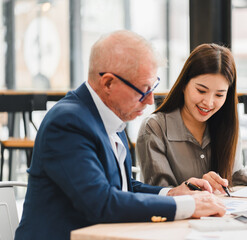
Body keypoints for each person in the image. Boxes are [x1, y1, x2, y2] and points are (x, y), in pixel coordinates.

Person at [15, 31, 226, 240]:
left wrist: (172, 194)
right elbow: (102, 202)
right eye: (144, 90)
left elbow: (124, 187)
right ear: (108, 83)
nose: (150, 100)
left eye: (153, 87)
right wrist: (188, 205)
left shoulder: (111, 117)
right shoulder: (67, 123)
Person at [136, 43, 247, 194]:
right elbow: (159, 192)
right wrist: (198, 187)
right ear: (183, 84)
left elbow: (234, 173)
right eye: (201, 91)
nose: (208, 103)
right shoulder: (155, 128)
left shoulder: (226, 124)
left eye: (219, 95)